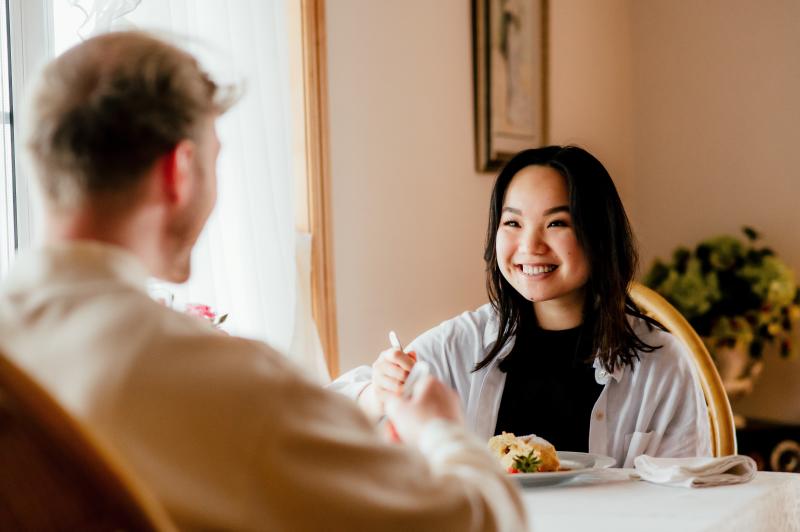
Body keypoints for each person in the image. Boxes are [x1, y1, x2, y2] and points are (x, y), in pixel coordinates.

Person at [0, 31, 525, 531]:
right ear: (179, 171)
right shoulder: (212, 382)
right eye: (214, 161)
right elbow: (473, 522)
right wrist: (441, 430)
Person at [331, 146, 711, 468]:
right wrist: (377, 394)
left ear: (599, 235)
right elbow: (324, 411)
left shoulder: (663, 363)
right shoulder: (462, 345)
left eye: (557, 223)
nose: (530, 246)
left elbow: (689, 500)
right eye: (512, 222)